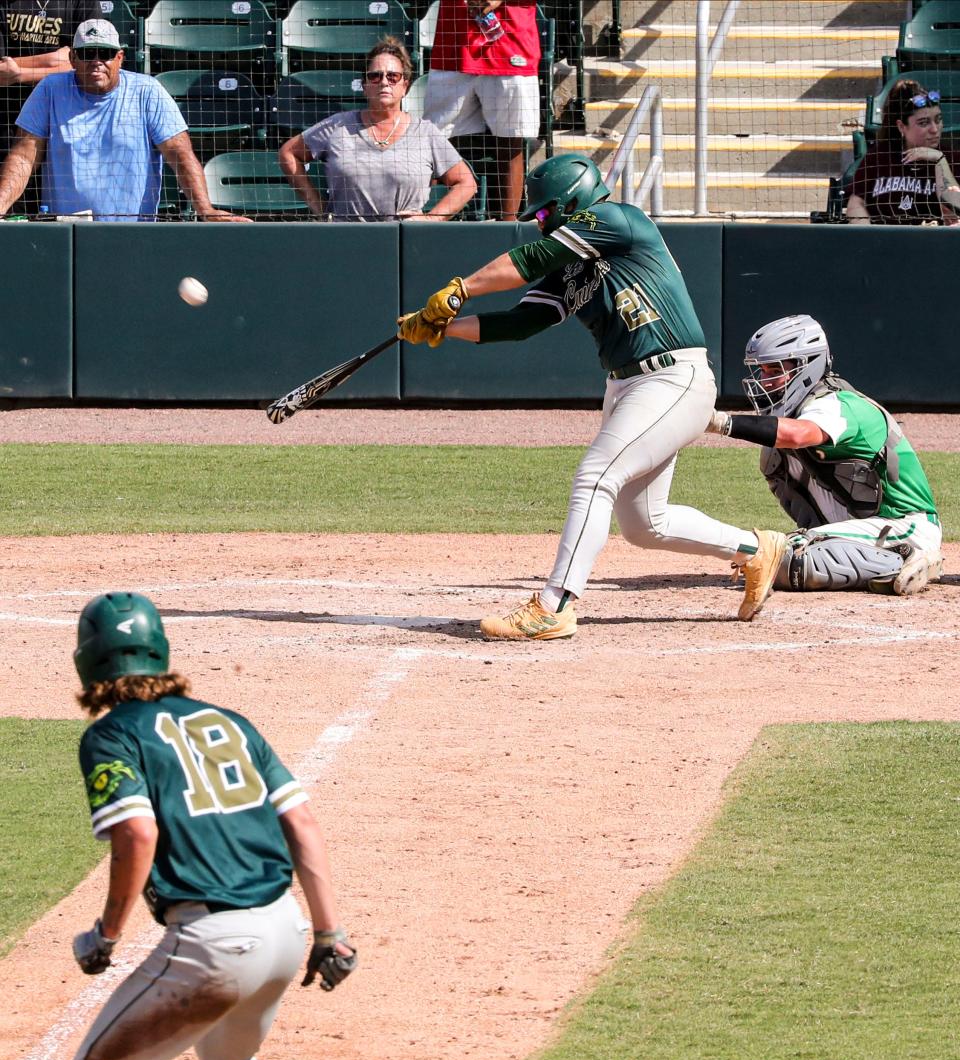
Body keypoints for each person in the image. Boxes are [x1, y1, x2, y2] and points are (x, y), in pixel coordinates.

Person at [396, 152, 788, 639]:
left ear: (570, 202)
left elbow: (527, 261)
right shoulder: (572, 268)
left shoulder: (617, 219)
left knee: (595, 477)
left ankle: (555, 604)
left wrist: (460, 289)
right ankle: (755, 549)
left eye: (543, 214)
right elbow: (522, 322)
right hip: (628, 385)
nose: (539, 224)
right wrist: (442, 329)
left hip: (671, 376)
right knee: (645, 523)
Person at [66, 591, 357, 1060]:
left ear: (87, 660)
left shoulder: (111, 736)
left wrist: (105, 935)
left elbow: (137, 834)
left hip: (215, 945)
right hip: (284, 932)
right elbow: (301, 821)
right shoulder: (229, 721)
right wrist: (329, 932)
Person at [707, 314, 943, 595]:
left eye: (774, 370)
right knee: (778, 547)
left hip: (905, 526)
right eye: (762, 371)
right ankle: (866, 557)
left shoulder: (837, 405)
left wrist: (717, 422)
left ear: (805, 367)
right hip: (861, 528)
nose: (764, 381)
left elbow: (798, 434)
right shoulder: (800, 421)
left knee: (786, 561)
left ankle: (906, 556)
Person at [0, 19, 248, 222]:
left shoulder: (147, 91)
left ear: (119, 57)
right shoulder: (50, 89)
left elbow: (180, 154)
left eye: (105, 53)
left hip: (133, 231)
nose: (97, 61)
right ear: (73, 59)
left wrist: (206, 210)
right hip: (67, 230)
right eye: (87, 54)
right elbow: (23, 156)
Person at [278, 36, 476, 222]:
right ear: (364, 85)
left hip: (405, 239)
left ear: (405, 86)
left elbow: (466, 183)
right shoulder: (337, 126)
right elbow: (288, 153)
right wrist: (320, 208)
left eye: (393, 76)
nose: (383, 82)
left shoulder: (425, 133)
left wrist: (431, 219)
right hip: (345, 236)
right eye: (374, 76)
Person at [423, 0, 541, 221]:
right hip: (453, 45)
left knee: (510, 144)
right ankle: (423, 228)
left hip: (512, 45)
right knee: (432, 144)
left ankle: (507, 233)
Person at [0, 0, 100, 214]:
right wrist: (56, 60)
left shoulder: (82, 2)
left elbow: (88, 61)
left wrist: (18, 73)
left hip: (65, 113)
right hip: (7, 116)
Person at [845, 79, 959, 225]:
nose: (935, 129)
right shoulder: (878, 158)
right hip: (885, 243)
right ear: (901, 127)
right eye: (924, 123)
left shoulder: (952, 158)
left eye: (938, 120)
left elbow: (955, 206)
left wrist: (939, 160)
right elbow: (856, 203)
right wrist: (870, 238)